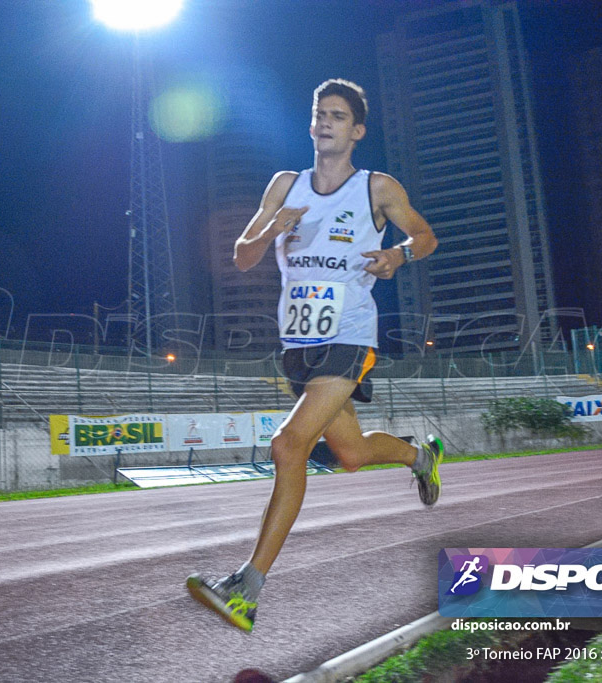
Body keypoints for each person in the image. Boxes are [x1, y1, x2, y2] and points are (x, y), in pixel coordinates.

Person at [187, 78, 442, 632]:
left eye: (337, 115)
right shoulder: (285, 185)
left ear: (356, 131)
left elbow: (425, 237)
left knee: (288, 444)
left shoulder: (377, 187)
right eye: (318, 113)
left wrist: (398, 256)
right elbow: (243, 256)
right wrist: (272, 228)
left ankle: (246, 588)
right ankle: (420, 457)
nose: (325, 121)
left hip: (351, 337)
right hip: (299, 344)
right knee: (349, 454)